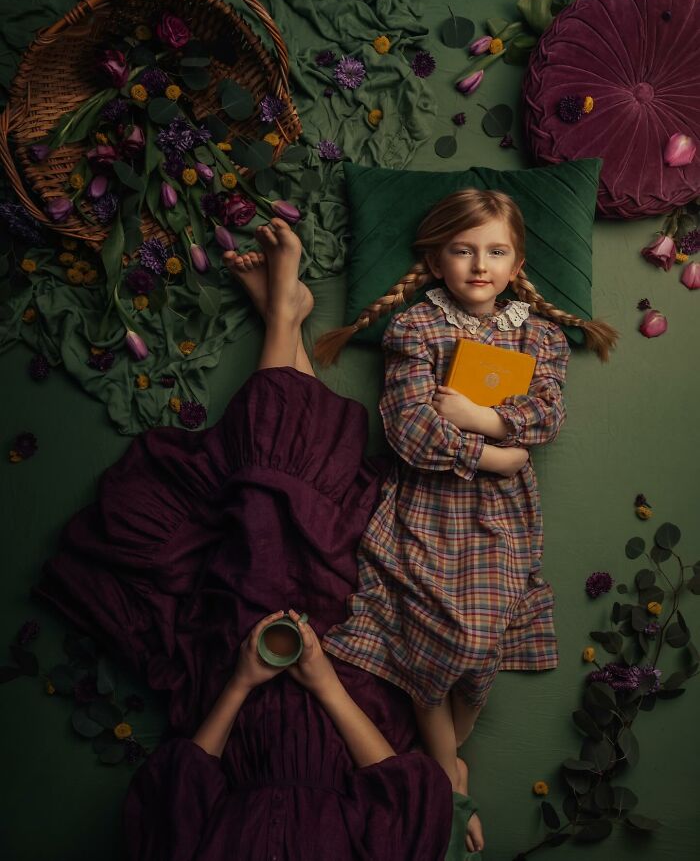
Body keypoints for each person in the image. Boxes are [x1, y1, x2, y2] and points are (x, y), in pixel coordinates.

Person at [36, 219, 476, 860]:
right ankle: (282, 318)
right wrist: (324, 681)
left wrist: (241, 681)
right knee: (306, 524)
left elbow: (175, 790)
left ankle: (283, 318)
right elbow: (408, 790)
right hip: (349, 699)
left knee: (260, 532)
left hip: (235, 704)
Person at [317, 189, 619, 853]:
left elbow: (546, 415)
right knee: (435, 633)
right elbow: (409, 428)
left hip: (505, 515)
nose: (479, 264)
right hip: (425, 505)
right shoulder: (416, 328)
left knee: (480, 643)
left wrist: (484, 418)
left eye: (495, 251)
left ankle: (442, 760)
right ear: (435, 258)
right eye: (462, 249)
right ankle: (449, 776)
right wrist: (492, 455)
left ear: (516, 262)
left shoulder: (539, 337)